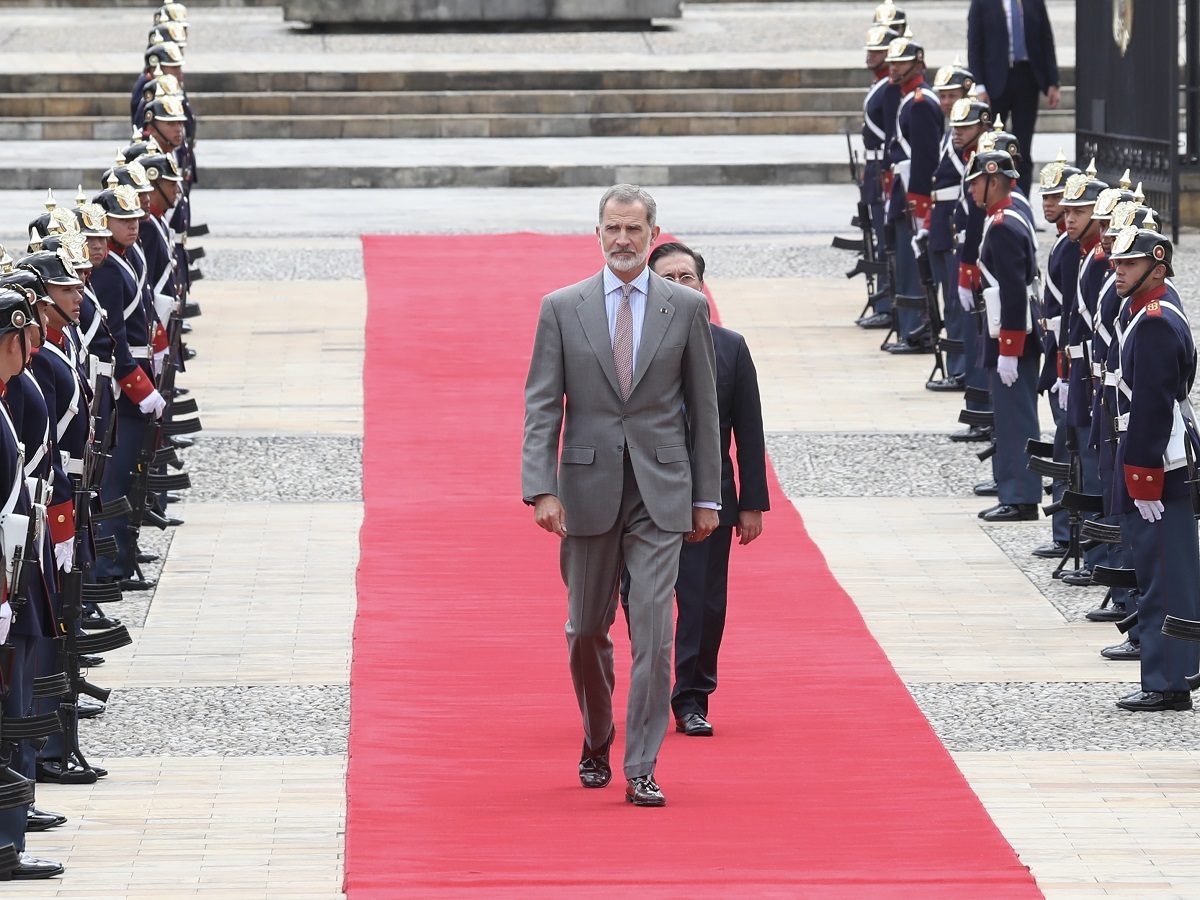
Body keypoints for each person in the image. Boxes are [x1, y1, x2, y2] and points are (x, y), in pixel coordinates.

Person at [522, 185, 721, 807]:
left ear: (653, 232)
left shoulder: (684, 308)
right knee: (586, 630)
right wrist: (541, 488)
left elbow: (705, 410)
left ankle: (641, 763)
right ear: (598, 232)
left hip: (662, 491)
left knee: (656, 632)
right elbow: (540, 404)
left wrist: (708, 496)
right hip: (585, 487)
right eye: (613, 229)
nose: (624, 240)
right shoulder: (562, 307)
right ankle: (596, 734)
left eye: (634, 229)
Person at [620, 242, 768, 738]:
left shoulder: (730, 346)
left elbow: (749, 431)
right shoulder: (630, 342)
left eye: (690, 278)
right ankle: (650, 684)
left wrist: (751, 503)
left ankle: (692, 695)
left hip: (708, 494)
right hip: (638, 491)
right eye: (670, 278)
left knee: (704, 602)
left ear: (703, 288)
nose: (681, 287)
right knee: (639, 595)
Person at [1108, 226, 1200, 711]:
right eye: (1117, 262)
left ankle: (1169, 681)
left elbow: (1151, 405)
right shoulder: (1147, 311)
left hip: (1161, 463)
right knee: (1160, 569)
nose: (1118, 269)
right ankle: (1173, 671)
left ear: (1157, 267)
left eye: (1129, 263)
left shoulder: (1157, 322)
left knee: (1165, 573)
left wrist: (1143, 477)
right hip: (1158, 458)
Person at [966, 149, 1042, 521]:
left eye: (975, 182)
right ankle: (1013, 489)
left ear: (993, 181)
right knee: (1008, 416)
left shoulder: (1002, 225)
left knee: (1015, 420)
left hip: (1012, 334)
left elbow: (1013, 288)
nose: (971, 190)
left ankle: (1022, 497)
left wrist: (1009, 348)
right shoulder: (1002, 216)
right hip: (1006, 331)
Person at [1030, 151, 1080, 560]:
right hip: (1059, 359)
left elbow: (1069, 317)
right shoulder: (1064, 243)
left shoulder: (1069, 248)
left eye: (1057, 197)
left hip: (1067, 362)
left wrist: (1062, 368)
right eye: (1045, 196)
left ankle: (1068, 532)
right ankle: (1067, 531)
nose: (1049, 204)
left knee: (1069, 447)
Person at [883, 34, 943, 355]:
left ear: (918, 62)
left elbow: (924, 159)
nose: (893, 67)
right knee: (904, 267)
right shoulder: (910, 98)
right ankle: (910, 328)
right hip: (903, 191)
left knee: (911, 269)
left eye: (900, 62)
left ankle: (917, 330)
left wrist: (919, 204)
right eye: (891, 62)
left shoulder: (920, 103)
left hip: (912, 195)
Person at [967, 0, 1061, 194]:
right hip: (995, 82)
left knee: (1022, 148)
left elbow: (1046, 38)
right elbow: (975, 45)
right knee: (992, 146)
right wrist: (980, 86)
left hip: (1027, 78)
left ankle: (1021, 204)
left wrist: (1053, 81)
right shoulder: (982, 3)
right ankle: (992, 200)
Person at [926, 60, 975, 390]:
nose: (946, 102)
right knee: (949, 301)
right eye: (942, 96)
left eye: (952, 95)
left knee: (958, 306)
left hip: (956, 229)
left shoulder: (967, 144)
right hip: (942, 224)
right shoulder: (951, 136)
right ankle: (957, 365)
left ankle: (960, 369)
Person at [856, 22, 901, 330]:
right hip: (873, 167)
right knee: (877, 236)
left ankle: (888, 303)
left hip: (882, 169)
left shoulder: (889, 88)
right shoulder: (880, 85)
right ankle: (884, 300)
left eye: (879, 51)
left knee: (886, 240)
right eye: (871, 51)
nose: (873, 56)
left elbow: (890, 134)